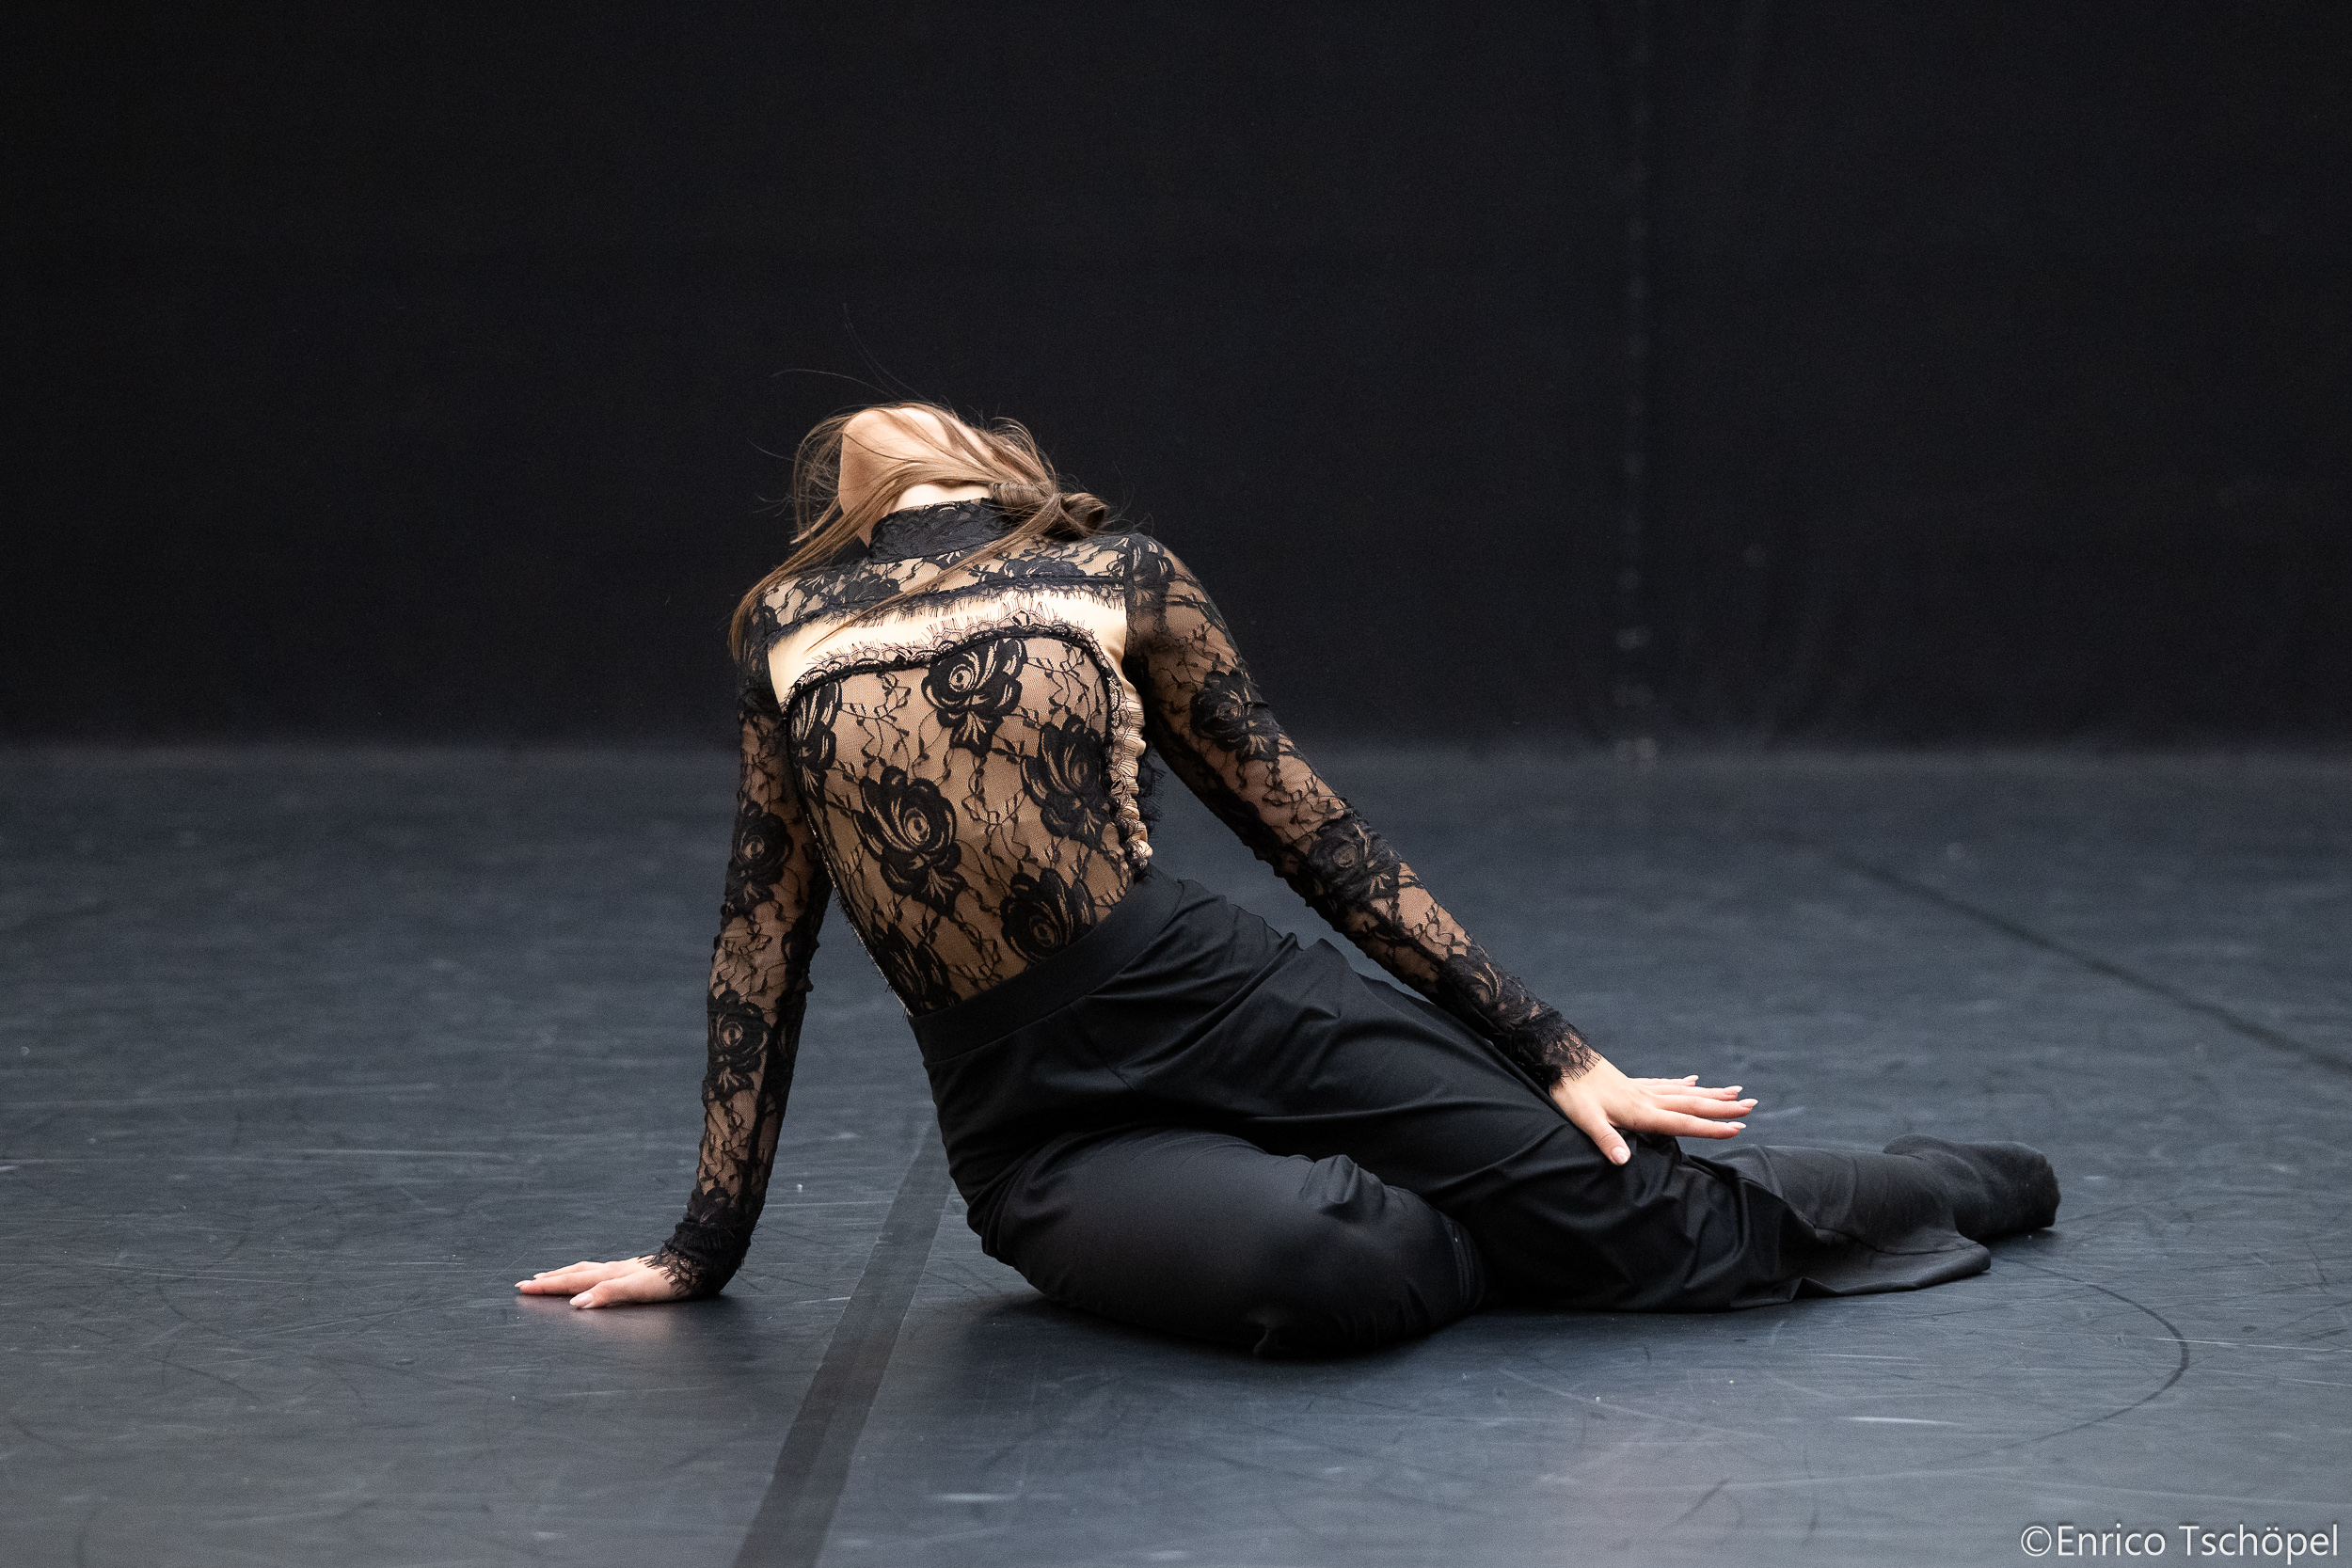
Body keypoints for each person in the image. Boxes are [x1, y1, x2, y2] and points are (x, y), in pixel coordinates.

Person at [518, 404, 2058, 1355]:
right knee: (1332, 1271)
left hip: (1216, 1002)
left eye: (917, 414)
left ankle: (1957, 1179)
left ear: (981, 454)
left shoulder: (1112, 574)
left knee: (1656, 1233)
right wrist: (701, 1246)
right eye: (850, 439)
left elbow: (1311, 832)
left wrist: (1558, 1054)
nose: (874, 420)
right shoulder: (788, 629)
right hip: (1032, 1125)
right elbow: (759, 941)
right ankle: (1481, 1217)